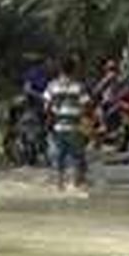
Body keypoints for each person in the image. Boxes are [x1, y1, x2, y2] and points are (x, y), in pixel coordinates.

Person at [43, 55, 92, 190]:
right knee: (77, 157)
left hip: (58, 127)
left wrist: (50, 119)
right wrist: (85, 119)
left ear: (59, 69)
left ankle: (59, 185)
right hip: (75, 127)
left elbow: (46, 106)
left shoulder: (52, 86)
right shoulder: (78, 86)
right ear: (74, 69)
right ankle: (76, 184)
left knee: (58, 158)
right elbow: (87, 105)